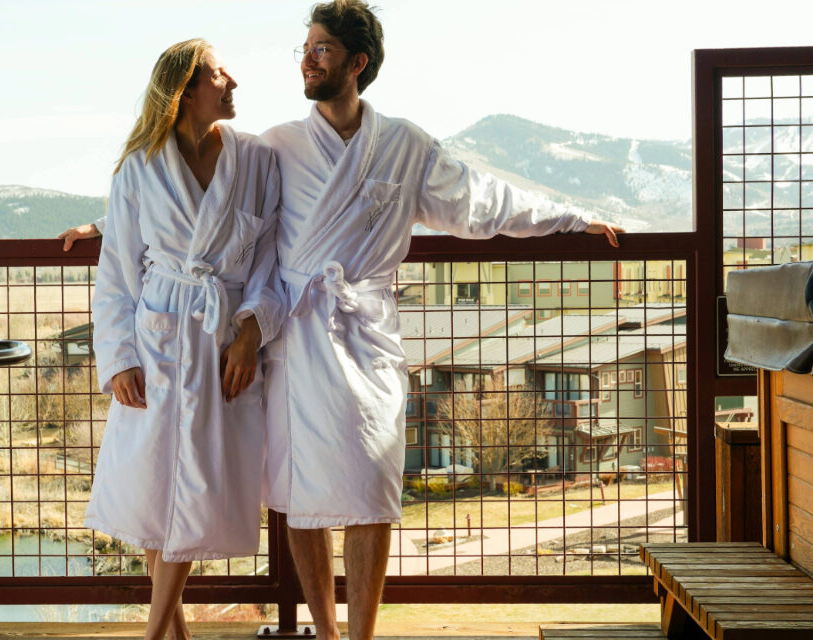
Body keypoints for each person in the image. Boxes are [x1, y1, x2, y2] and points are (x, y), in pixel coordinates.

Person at [258, 2, 624, 640]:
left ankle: (363, 635)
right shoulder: (278, 145)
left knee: (373, 487)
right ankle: (325, 630)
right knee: (300, 493)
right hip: (298, 333)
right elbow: (217, 205)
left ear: (356, 62)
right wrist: (111, 225)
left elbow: (482, 201)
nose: (307, 59)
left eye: (321, 49)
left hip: (365, 334)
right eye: (306, 47)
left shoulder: (403, 145)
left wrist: (567, 217)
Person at [83, 39, 283, 640]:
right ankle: (167, 635)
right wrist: (117, 357)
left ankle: (156, 634)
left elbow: (271, 262)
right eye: (220, 74)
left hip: (220, 343)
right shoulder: (139, 167)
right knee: (153, 492)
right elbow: (117, 270)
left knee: (190, 489)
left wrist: (250, 334)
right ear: (186, 90)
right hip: (155, 341)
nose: (234, 81)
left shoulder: (256, 160)